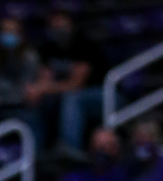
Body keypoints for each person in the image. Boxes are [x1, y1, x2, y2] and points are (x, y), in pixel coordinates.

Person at [28, 10, 108, 150]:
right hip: (64, 93)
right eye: (55, 27)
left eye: (62, 26)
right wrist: (37, 90)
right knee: (38, 102)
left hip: (100, 94)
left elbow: (76, 84)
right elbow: (44, 79)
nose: (59, 31)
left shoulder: (84, 45)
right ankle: (36, 154)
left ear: (71, 25)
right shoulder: (49, 49)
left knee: (73, 98)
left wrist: (44, 88)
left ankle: (70, 149)